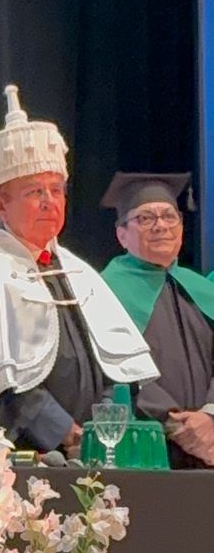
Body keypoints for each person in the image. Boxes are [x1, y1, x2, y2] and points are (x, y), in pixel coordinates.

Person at [0, 85, 157, 456]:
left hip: (97, 445)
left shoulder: (79, 270)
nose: (49, 202)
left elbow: (115, 364)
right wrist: (65, 432)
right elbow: (2, 384)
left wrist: (103, 427)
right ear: (0, 205)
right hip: (29, 452)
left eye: (56, 190)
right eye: (35, 192)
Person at [101, 172, 214, 468]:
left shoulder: (201, 288)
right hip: (148, 445)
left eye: (169, 216)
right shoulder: (104, 291)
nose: (161, 226)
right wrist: (178, 425)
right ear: (121, 235)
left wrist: (210, 416)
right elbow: (115, 370)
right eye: (145, 218)